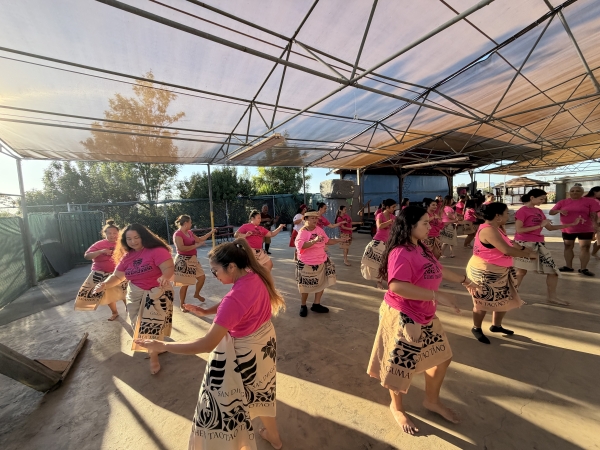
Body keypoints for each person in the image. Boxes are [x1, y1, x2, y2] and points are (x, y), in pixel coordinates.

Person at [135, 239, 285, 450]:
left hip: (246, 352)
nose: (215, 276)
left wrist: (163, 346)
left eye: (215, 271)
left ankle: (239, 442)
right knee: (261, 391)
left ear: (231, 267)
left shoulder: (235, 298)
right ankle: (274, 437)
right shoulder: (254, 275)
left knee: (231, 401)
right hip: (265, 343)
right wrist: (207, 311)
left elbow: (206, 344)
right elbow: (232, 303)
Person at [367, 205, 479, 435]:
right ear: (410, 226)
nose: (430, 226)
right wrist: (437, 295)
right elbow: (397, 286)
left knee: (442, 357)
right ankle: (397, 408)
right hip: (404, 315)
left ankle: (431, 401)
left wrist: (465, 281)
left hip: (425, 313)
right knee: (400, 366)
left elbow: (437, 269)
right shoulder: (400, 252)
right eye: (425, 223)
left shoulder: (420, 246)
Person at [92, 223, 174, 374]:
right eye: (129, 239)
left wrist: (165, 276)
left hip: (156, 293)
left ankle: (154, 357)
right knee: (138, 324)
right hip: (135, 294)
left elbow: (168, 268)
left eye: (136, 237)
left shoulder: (157, 251)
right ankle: (157, 347)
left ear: (144, 236)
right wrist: (104, 284)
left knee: (148, 325)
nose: (133, 241)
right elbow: (117, 276)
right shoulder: (127, 257)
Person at [466, 203, 537, 344]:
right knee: (482, 301)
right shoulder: (488, 230)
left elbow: (510, 243)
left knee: (503, 299)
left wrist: (524, 249)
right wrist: (529, 255)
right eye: (507, 213)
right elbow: (507, 250)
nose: (509, 216)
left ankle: (496, 326)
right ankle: (476, 328)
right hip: (486, 271)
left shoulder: (496, 228)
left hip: (500, 270)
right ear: (498, 216)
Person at [513, 189, 583, 306]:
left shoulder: (539, 211)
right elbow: (519, 230)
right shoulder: (522, 211)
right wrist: (540, 225)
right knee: (521, 271)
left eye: (544, 199)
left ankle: (552, 297)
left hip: (539, 244)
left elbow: (550, 228)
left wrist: (572, 224)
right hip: (524, 244)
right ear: (532, 198)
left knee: (553, 271)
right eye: (541, 199)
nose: (543, 201)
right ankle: (513, 296)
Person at [295, 210, 349, 317]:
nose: (315, 220)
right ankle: (303, 305)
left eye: (316, 218)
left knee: (321, 283)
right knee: (305, 286)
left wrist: (340, 240)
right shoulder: (303, 232)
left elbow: (327, 241)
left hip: (321, 261)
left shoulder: (319, 230)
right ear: (306, 219)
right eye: (312, 218)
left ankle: (316, 304)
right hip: (307, 263)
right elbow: (301, 246)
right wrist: (314, 240)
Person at [74, 219, 127, 320]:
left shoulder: (122, 243)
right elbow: (87, 256)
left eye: (115, 233)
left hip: (120, 273)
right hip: (102, 273)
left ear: (118, 233)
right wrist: (100, 251)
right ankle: (115, 313)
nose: (112, 235)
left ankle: (130, 311)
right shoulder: (99, 244)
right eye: (109, 233)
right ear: (105, 233)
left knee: (124, 292)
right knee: (108, 294)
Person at [549, 185, 600, 276]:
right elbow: (551, 212)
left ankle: (583, 268)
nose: (575, 192)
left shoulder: (590, 201)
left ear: (582, 192)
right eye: (572, 191)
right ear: (569, 192)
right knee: (568, 246)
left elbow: (593, 214)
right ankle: (568, 266)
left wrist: (595, 225)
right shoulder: (563, 202)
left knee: (585, 247)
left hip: (585, 228)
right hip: (568, 228)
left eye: (577, 191)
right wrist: (559, 211)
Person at [172, 215, 215, 312]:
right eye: (190, 222)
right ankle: (182, 305)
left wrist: (211, 232)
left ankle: (196, 294)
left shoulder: (190, 232)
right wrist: (196, 245)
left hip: (193, 259)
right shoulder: (177, 234)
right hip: (183, 260)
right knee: (185, 284)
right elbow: (181, 248)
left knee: (202, 277)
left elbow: (200, 239)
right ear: (186, 223)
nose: (191, 224)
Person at [361, 198, 397, 288]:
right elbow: (379, 226)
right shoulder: (380, 215)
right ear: (387, 207)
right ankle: (379, 281)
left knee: (388, 262)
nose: (394, 209)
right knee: (378, 263)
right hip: (378, 241)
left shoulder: (393, 217)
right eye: (393, 207)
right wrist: (389, 222)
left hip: (389, 243)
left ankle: (388, 279)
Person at [584, 186, 600, 258]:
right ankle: (588, 253)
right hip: (590, 222)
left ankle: (593, 252)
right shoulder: (586, 200)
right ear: (595, 192)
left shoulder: (597, 200)